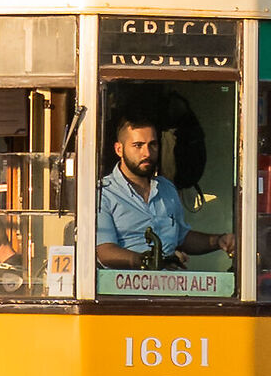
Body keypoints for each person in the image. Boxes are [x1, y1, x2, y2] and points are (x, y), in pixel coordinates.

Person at [96, 114, 234, 270]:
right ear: (119, 149)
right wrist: (151, 261)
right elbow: (104, 252)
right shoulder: (103, 193)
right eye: (138, 145)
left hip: (170, 287)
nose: (147, 153)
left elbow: (181, 237)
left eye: (152, 144)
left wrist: (219, 240)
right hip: (122, 289)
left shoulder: (167, 188)